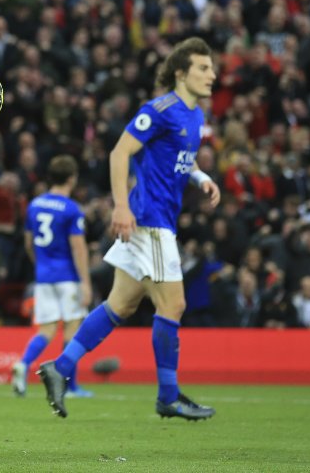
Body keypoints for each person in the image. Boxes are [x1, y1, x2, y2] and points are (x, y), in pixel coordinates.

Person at [38, 38, 221, 421]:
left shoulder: (196, 116)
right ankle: (168, 396)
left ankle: (60, 367)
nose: (212, 75)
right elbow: (120, 152)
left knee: (120, 304)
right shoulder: (160, 109)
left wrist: (201, 177)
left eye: (212, 68)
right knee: (174, 304)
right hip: (149, 220)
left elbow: (179, 163)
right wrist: (121, 206)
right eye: (203, 68)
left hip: (159, 219)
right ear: (180, 72)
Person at [11, 155, 93, 398]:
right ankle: (70, 386)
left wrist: (42, 266)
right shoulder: (71, 209)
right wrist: (85, 282)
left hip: (44, 276)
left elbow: (28, 243)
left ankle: (23, 364)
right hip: (67, 276)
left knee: (46, 329)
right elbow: (78, 247)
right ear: (72, 178)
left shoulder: (35, 205)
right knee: (72, 330)